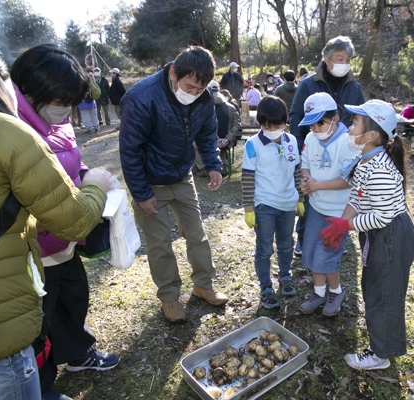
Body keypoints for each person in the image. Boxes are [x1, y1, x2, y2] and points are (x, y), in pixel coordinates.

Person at [0, 44, 114, 400]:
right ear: (28, 90)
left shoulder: (57, 123)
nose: (67, 110)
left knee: (73, 298)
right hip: (32, 249)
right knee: (41, 320)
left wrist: (86, 175)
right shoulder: (14, 131)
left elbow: (70, 166)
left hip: (63, 241)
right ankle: (42, 384)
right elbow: (58, 209)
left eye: (71, 102)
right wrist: (93, 191)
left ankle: (77, 354)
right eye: (60, 100)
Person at [119, 46, 228, 324]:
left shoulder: (204, 98)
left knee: (197, 234)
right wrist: (141, 193)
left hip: (182, 177)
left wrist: (214, 165)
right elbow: (130, 150)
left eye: (199, 90)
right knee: (159, 243)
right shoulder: (141, 97)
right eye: (189, 87)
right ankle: (169, 296)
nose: (192, 95)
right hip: (150, 182)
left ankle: (203, 284)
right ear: (173, 72)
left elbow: (207, 134)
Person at [318, 100, 414, 370]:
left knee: (383, 293)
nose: (349, 128)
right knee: (374, 287)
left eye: (355, 124)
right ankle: (383, 345)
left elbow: (383, 216)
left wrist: (345, 227)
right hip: (379, 234)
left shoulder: (381, 169)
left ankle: (380, 355)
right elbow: (358, 200)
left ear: (371, 135)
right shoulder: (366, 160)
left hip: (390, 236)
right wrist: (341, 222)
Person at [288, 35, 365, 256]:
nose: (344, 63)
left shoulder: (354, 86)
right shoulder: (309, 83)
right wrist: (301, 148)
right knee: (310, 191)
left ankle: (338, 234)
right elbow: (296, 116)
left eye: (348, 58)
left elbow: (360, 116)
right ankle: (303, 238)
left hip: (344, 147)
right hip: (313, 146)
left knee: (342, 191)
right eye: (340, 57)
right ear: (326, 59)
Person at [296, 93, 359, 316]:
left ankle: (336, 291)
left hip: (340, 212)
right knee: (312, 252)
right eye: (311, 125)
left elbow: (349, 179)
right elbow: (306, 164)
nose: (315, 129)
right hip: (317, 207)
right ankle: (319, 292)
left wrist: (317, 185)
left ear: (336, 118)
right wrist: (306, 181)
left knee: (328, 254)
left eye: (320, 123)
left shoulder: (347, 142)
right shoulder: (312, 138)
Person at [241, 96, 304, 309]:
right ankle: (266, 287)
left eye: (278, 125)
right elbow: (247, 177)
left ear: (285, 122)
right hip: (265, 205)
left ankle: (285, 277)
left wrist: (300, 198)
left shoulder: (291, 141)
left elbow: (296, 171)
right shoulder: (252, 145)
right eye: (268, 125)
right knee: (265, 248)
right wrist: (249, 208)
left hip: (288, 204)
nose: (273, 129)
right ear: (259, 122)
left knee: (286, 244)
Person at [209, 80, 240, 176]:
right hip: (227, 142)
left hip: (209, 142)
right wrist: (227, 138)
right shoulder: (231, 107)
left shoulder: (203, 107)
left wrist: (215, 140)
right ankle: (223, 164)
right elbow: (237, 124)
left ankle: (204, 167)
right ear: (219, 90)